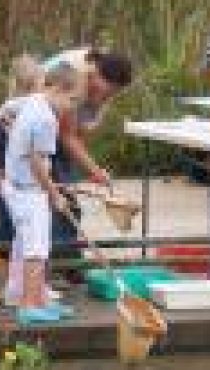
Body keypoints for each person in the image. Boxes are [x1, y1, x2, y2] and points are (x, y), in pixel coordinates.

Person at [1, 63, 80, 325]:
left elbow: (6, 110)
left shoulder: (34, 101)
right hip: (28, 189)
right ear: (57, 89)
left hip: (16, 185)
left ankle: (38, 298)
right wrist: (54, 194)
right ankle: (29, 305)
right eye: (71, 99)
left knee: (29, 244)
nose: (72, 106)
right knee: (36, 249)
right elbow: (37, 163)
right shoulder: (47, 119)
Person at [45, 48, 133, 257]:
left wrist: (90, 170)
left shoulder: (101, 84)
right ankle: (61, 262)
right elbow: (66, 136)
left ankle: (66, 258)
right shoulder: (75, 77)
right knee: (62, 203)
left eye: (114, 94)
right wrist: (95, 170)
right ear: (98, 76)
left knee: (69, 197)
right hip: (30, 126)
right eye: (108, 92)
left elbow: (79, 133)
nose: (109, 97)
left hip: (56, 129)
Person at [0, 56, 44, 246]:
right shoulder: (35, 109)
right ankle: (7, 257)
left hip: (0, 177)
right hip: (21, 180)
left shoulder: (2, 110)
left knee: (6, 221)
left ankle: (3, 254)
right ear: (38, 83)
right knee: (22, 226)